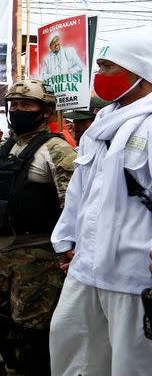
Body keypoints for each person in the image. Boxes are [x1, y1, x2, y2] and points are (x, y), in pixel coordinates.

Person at [50, 28, 152, 376]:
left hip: (134, 273)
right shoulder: (101, 125)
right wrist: (66, 239)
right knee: (72, 346)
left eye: (107, 67)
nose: (99, 76)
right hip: (87, 266)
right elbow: (81, 189)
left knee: (130, 363)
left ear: (138, 72)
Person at [0, 80, 75, 375]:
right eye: (14, 105)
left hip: (37, 256)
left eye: (26, 105)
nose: (18, 110)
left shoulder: (56, 149)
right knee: (0, 323)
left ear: (45, 111)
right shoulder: (10, 147)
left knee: (34, 332)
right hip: (1, 253)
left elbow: (73, 205)